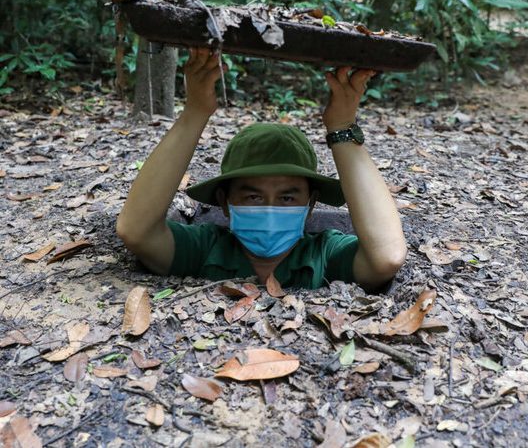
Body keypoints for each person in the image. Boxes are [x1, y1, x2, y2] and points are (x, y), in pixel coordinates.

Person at [116, 48, 407, 291]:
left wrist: (342, 127)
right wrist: (195, 112)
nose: (270, 210)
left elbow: (387, 256)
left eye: (287, 198)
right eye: (253, 197)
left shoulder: (324, 254)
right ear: (224, 203)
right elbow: (136, 231)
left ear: (311, 204)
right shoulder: (204, 249)